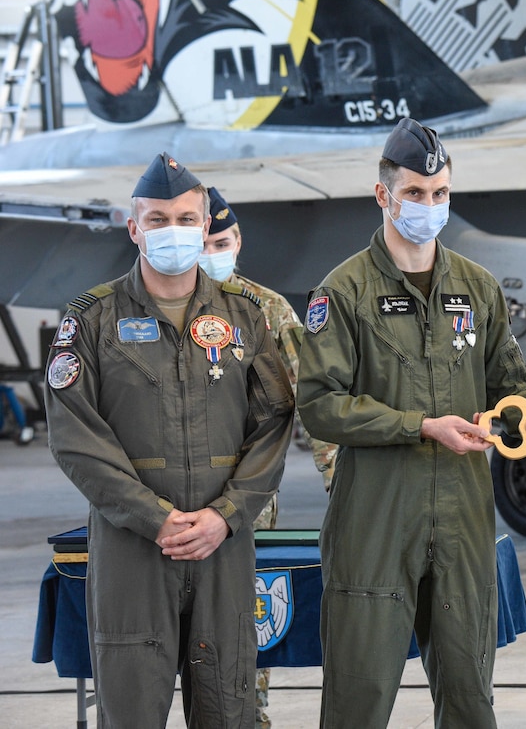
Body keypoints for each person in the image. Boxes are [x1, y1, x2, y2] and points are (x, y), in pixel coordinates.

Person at [296, 117, 526, 728]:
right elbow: (320, 405)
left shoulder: (477, 288)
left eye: (440, 194)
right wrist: (420, 426)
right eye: (415, 193)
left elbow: (511, 386)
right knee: (357, 702)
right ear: (384, 195)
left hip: (463, 520)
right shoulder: (343, 292)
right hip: (374, 522)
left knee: (469, 698)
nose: (429, 206)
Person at [44, 152, 295, 728]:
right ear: (133, 228)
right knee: (131, 711)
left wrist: (227, 515)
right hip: (133, 551)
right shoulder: (92, 320)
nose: (172, 231)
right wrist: (151, 516)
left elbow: (275, 423)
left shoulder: (246, 317)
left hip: (223, 547)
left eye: (186, 218)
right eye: (157, 220)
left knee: (229, 709)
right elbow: (76, 437)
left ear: (206, 227)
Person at [200, 186, 338, 729]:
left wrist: (340, 485)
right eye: (204, 241)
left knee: (242, 618)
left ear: (239, 242)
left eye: (223, 241)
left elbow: (312, 401)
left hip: (248, 494)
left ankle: (247, 717)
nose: (214, 251)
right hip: (170, 492)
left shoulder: (266, 309)